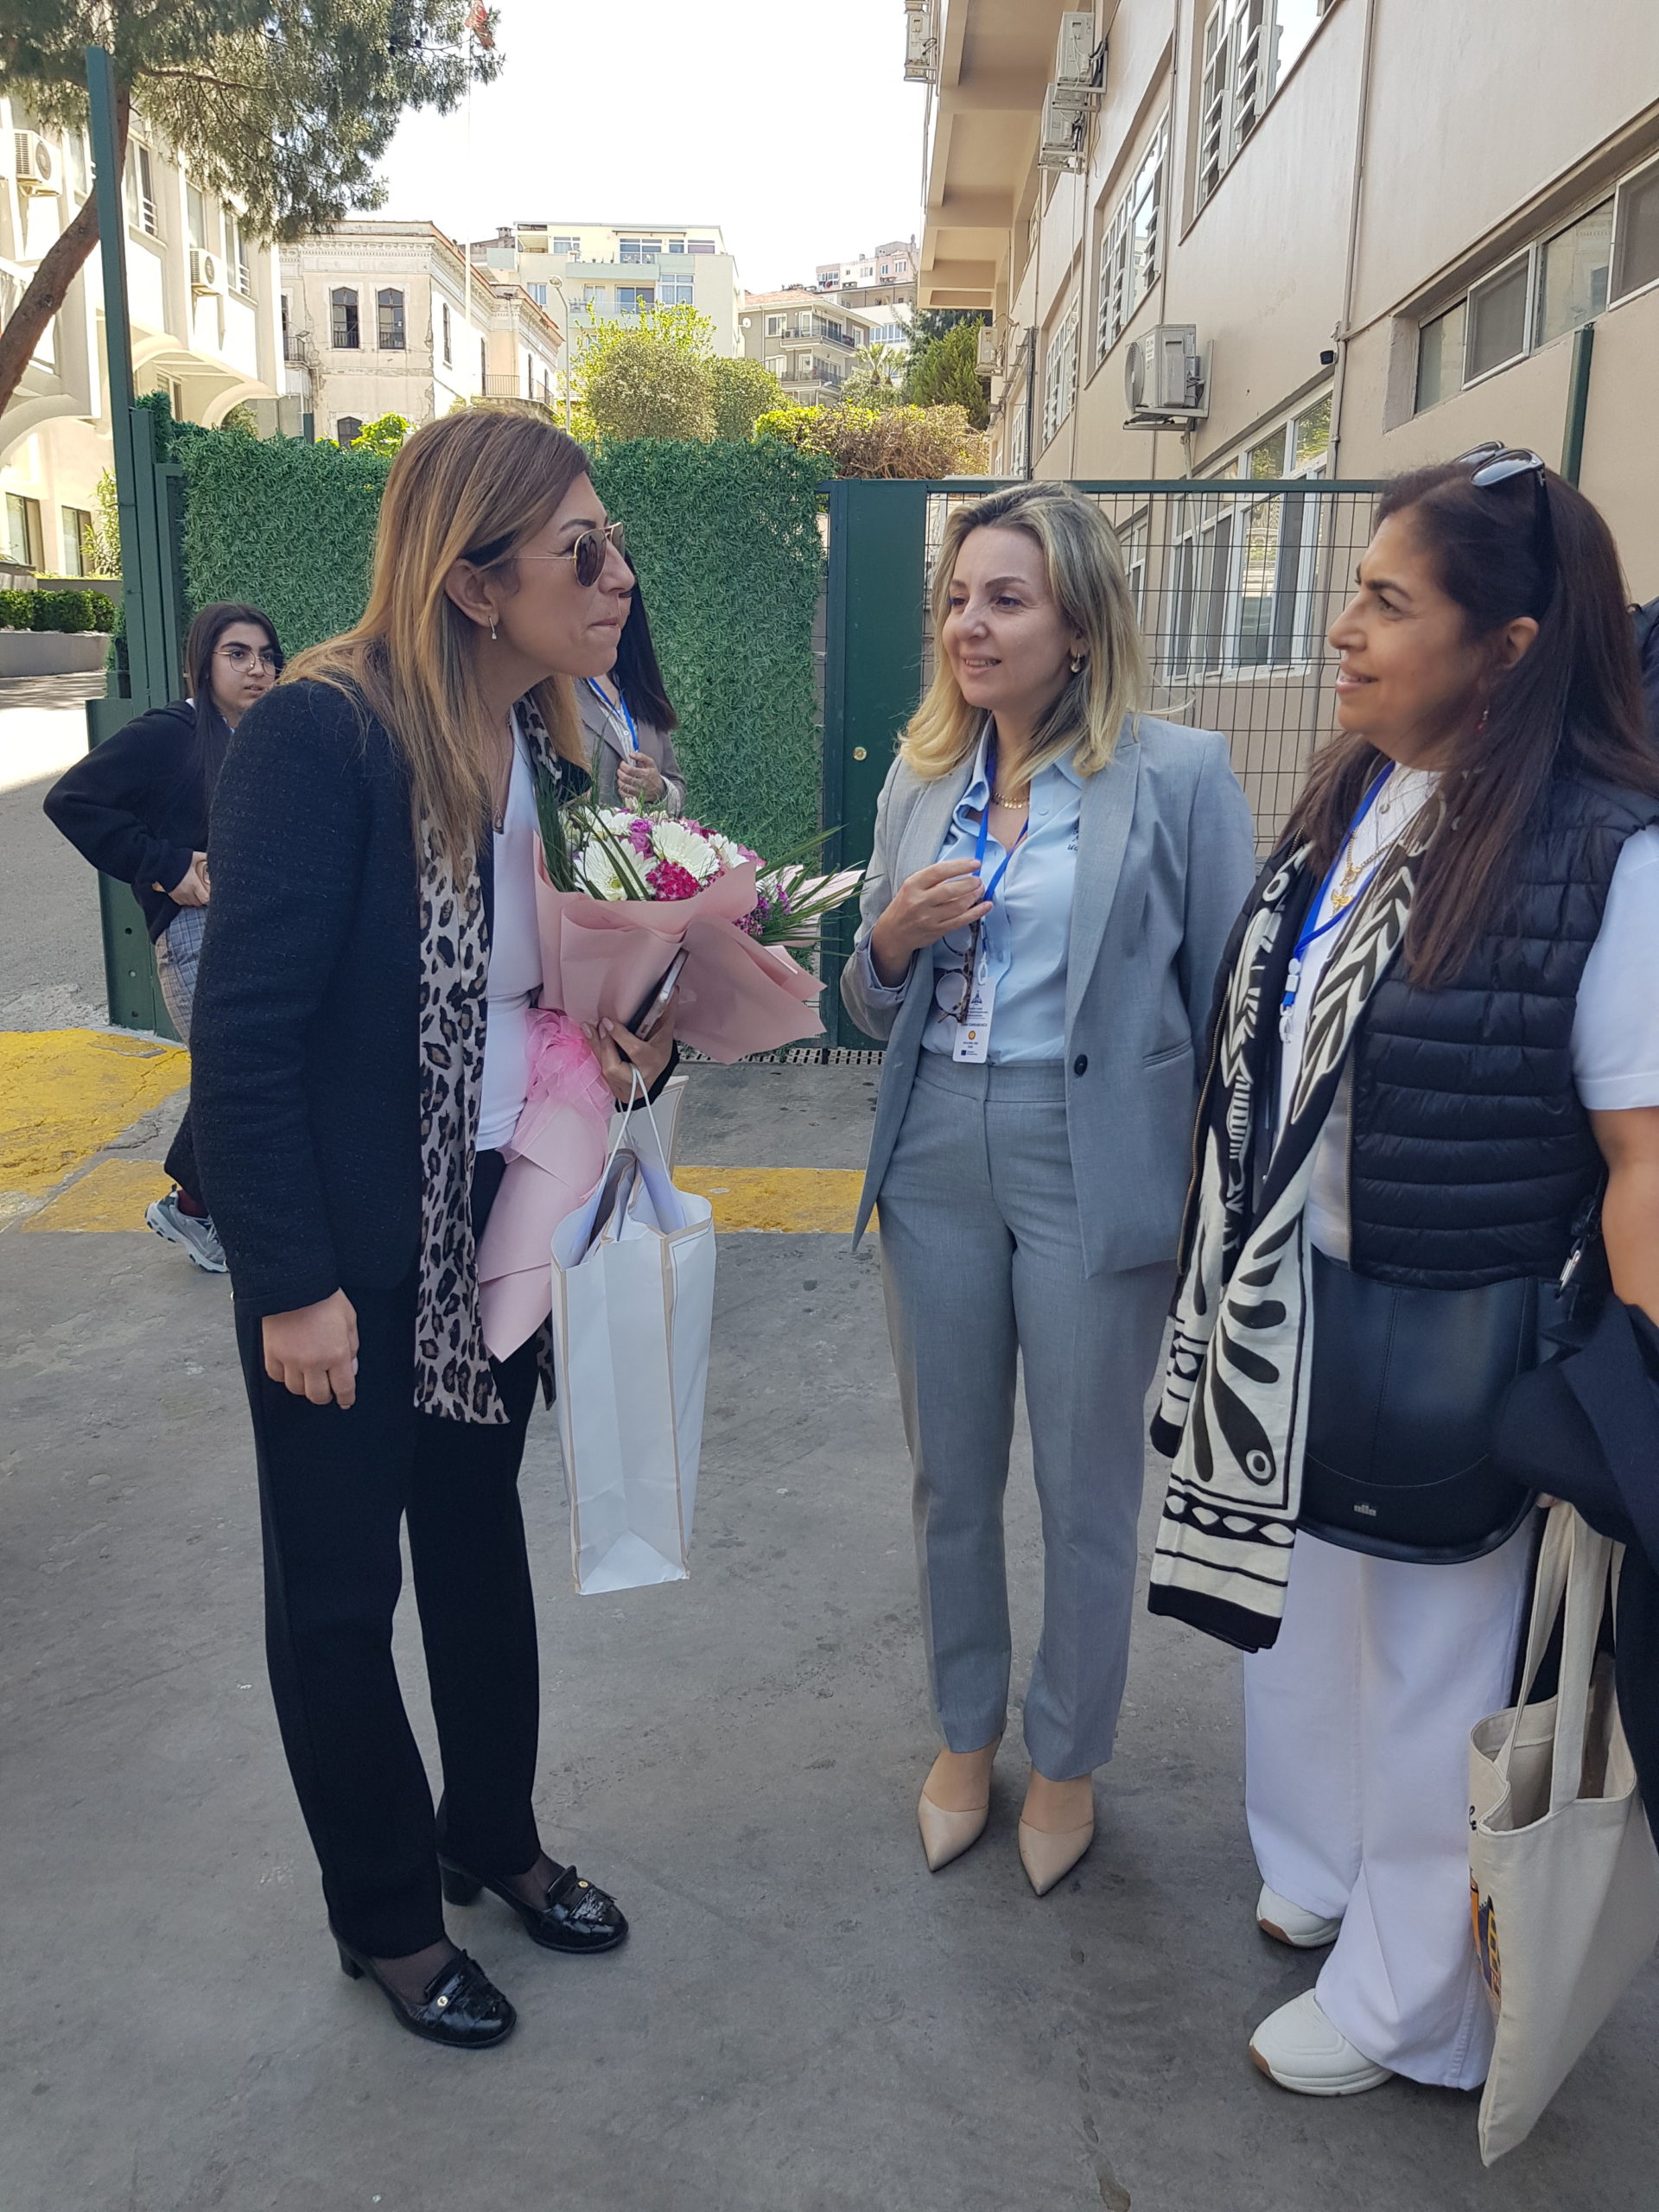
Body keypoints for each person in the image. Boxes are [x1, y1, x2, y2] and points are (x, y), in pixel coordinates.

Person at [1147, 448, 1659, 2097]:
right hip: (1295, 1312)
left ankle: (1410, 2007)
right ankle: (1321, 1865)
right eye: (1353, 593)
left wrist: (1640, 1390)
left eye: (1388, 602)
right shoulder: (1362, 795)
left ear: (1507, 650)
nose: (1343, 633)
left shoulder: (1610, 854)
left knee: (1438, 1669)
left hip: (1463, 1330)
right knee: (1301, 1629)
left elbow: (1645, 1154)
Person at [188, 410, 677, 2050]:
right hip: (345, 1239)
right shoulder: (323, 732)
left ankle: (491, 1834)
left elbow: (541, 991)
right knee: (339, 1595)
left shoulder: (545, 743)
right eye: (581, 552)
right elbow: (243, 1038)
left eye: (613, 544)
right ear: (475, 582)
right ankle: (388, 1914)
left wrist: (636, 1038)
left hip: (495, 1220)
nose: (616, 577)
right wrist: (292, 1285)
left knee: (474, 1547)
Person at [842, 481, 1256, 1894]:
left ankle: (1068, 1756)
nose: (970, 623)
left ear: (1079, 626)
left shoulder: (1179, 776)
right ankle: (965, 1735)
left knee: (1085, 1487)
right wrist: (890, 944)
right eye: (957, 598)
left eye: (1006, 599)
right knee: (949, 1478)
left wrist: (1209, 1199)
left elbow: (1229, 1008)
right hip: (934, 1152)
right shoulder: (921, 781)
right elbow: (863, 1005)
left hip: (1094, 1158)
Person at [42, 601, 283, 1272]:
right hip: (196, 935)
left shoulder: (258, 737)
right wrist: (164, 866)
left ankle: (198, 1207)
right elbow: (71, 802)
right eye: (238, 654)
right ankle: (196, 1211)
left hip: (256, 934)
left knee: (251, 1071)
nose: (257, 669)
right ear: (203, 662)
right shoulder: (169, 733)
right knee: (240, 1074)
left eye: (267, 656)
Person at [577, 556, 687, 813]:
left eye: (624, 593)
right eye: (599, 588)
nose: (613, 604)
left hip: (644, 839)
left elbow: (677, 785)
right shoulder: (552, 685)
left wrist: (659, 790)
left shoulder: (640, 683)